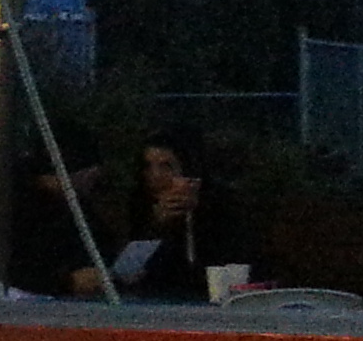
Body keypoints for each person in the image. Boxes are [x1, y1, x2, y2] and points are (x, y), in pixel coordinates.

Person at [69, 126, 246, 302]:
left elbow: (228, 260)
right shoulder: (135, 206)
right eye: (148, 167)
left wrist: (196, 216)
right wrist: (155, 226)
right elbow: (125, 270)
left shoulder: (219, 207)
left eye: (166, 166)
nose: (156, 175)